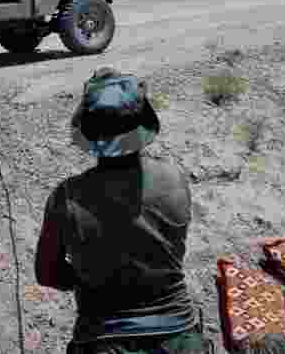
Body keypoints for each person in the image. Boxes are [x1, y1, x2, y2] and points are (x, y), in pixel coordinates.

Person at [34, 67, 206, 354]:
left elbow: (48, 275)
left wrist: (87, 276)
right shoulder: (175, 179)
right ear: (143, 125)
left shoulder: (66, 199)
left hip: (102, 338)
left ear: (88, 130)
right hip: (179, 335)